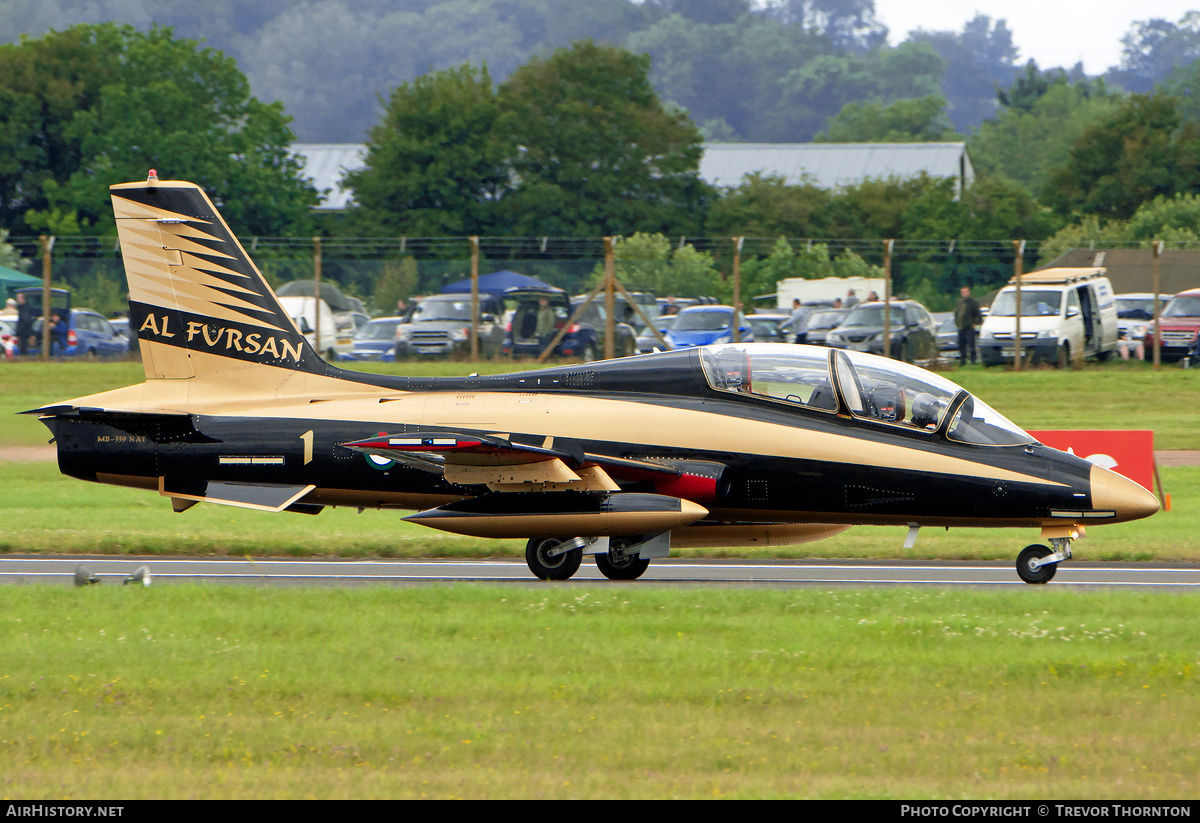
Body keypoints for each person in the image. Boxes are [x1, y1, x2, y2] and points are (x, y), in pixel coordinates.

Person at [955, 285, 983, 365]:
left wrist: (975, 323)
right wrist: (957, 323)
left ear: (968, 292)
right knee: (961, 345)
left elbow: (978, 314)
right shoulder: (959, 302)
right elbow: (956, 314)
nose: (964, 293)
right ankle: (962, 361)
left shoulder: (972, 302)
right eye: (963, 292)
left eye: (966, 291)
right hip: (961, 327)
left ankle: (973, 361)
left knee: (971, 345)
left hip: (969, 327)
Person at [14, 292, 36, 356]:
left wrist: (19, 331)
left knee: (23, 349)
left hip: (24, 333)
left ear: (23, 299)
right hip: (24, 332)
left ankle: (24, 358)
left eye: (18, 298)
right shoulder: (22, 308)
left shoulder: (24, 308)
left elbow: (26, 320)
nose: (17, 300)